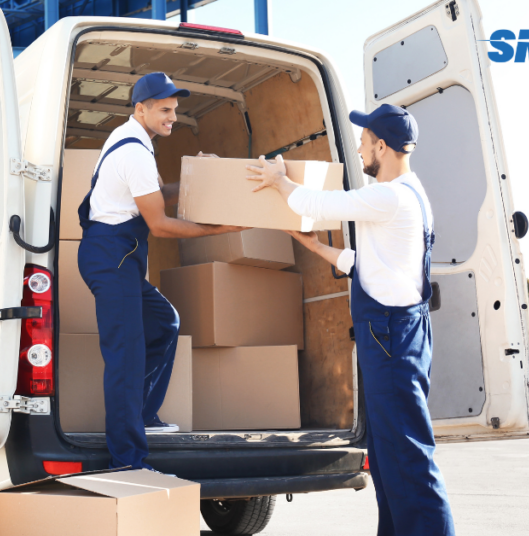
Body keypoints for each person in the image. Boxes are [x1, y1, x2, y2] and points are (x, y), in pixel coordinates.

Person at [246, 104, 455, 535]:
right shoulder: (409, 193)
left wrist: (279, 180)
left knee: (409, 460)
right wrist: (313, 248)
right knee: (385, 458)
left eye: (363, 142)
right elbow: (374, 262)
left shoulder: (389, 195)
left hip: (392, 341)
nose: (358, 149)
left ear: (382, 145)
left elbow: (317, 203)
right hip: (400, 336)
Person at [77, 72, 246, 470]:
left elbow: (153, 195)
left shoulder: (135, 140)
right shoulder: (134, 150)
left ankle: (142, 413)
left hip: (121, 255)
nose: (173, 117)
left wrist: (195, 179)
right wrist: (223, 228)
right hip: (112, 255)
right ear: (141, 108)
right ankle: (128, 459)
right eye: (165, 110)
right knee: (126, 357)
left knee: (163, 322)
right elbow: (161, 224)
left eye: (175, 109)